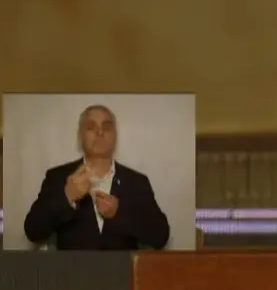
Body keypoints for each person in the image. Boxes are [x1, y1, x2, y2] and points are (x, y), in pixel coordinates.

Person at [22, 105, 171, 250]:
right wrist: (67, 197)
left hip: (121, 273)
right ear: (80, 136)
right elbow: (33, 231)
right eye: (91, 127)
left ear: (115, 136)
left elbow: (161, 237)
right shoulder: (58, 177)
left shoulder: (137, 182)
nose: (100, 132)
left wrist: (119, 214)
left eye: (106, 127)